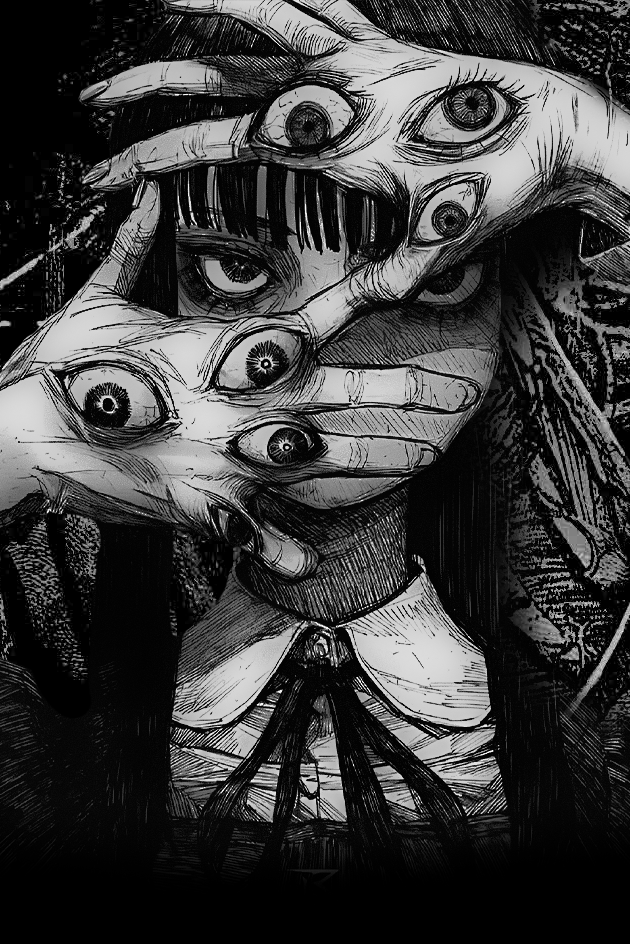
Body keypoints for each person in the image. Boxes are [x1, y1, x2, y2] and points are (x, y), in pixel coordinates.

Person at [1, 0, 630, 887]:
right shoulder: (56, 737)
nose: (308, 342)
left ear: (513, 312)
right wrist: (19, 441)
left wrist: (594, 146)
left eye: (436, 279)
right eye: (235, 270)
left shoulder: (594, 740)